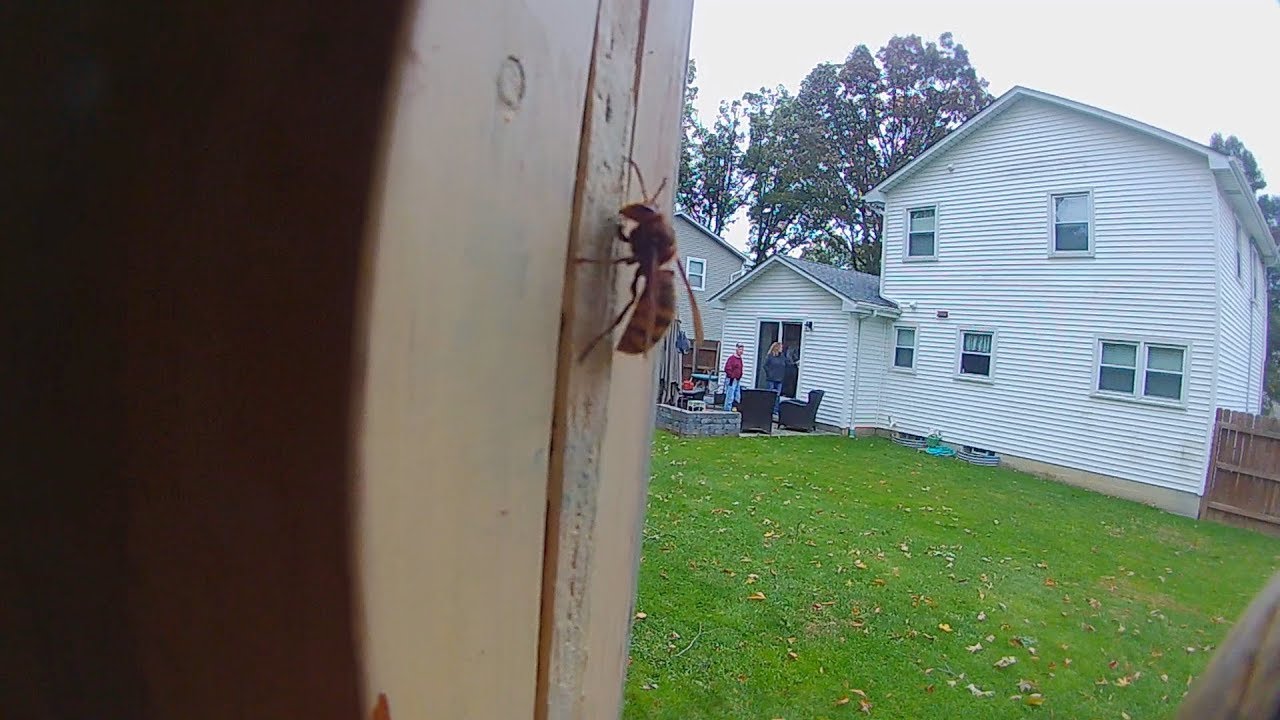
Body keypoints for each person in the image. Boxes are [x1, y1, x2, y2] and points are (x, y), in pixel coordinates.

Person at [763, 341, 789, 417]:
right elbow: (765, 366)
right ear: (776, 348)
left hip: (780, 379)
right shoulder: (770, 356)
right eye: (781, 347)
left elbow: (787, 363)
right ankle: (768, 409)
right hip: (771, 378)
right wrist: (769, 373)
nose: (782, 349)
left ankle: (775, 410)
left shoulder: (782, 356)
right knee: (770, 394)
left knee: (777, 395)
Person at [722, 343, 744, 410]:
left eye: (742, 350)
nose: (741, 351)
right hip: (731, 379)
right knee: (730, 395)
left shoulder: (740, 359)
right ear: (736, 349)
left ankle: (734, 408)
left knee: (737, 396)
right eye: (740, 349)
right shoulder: (731, 359)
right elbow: (727, 368)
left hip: (737, 380)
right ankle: (727, 410)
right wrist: (731, 376)